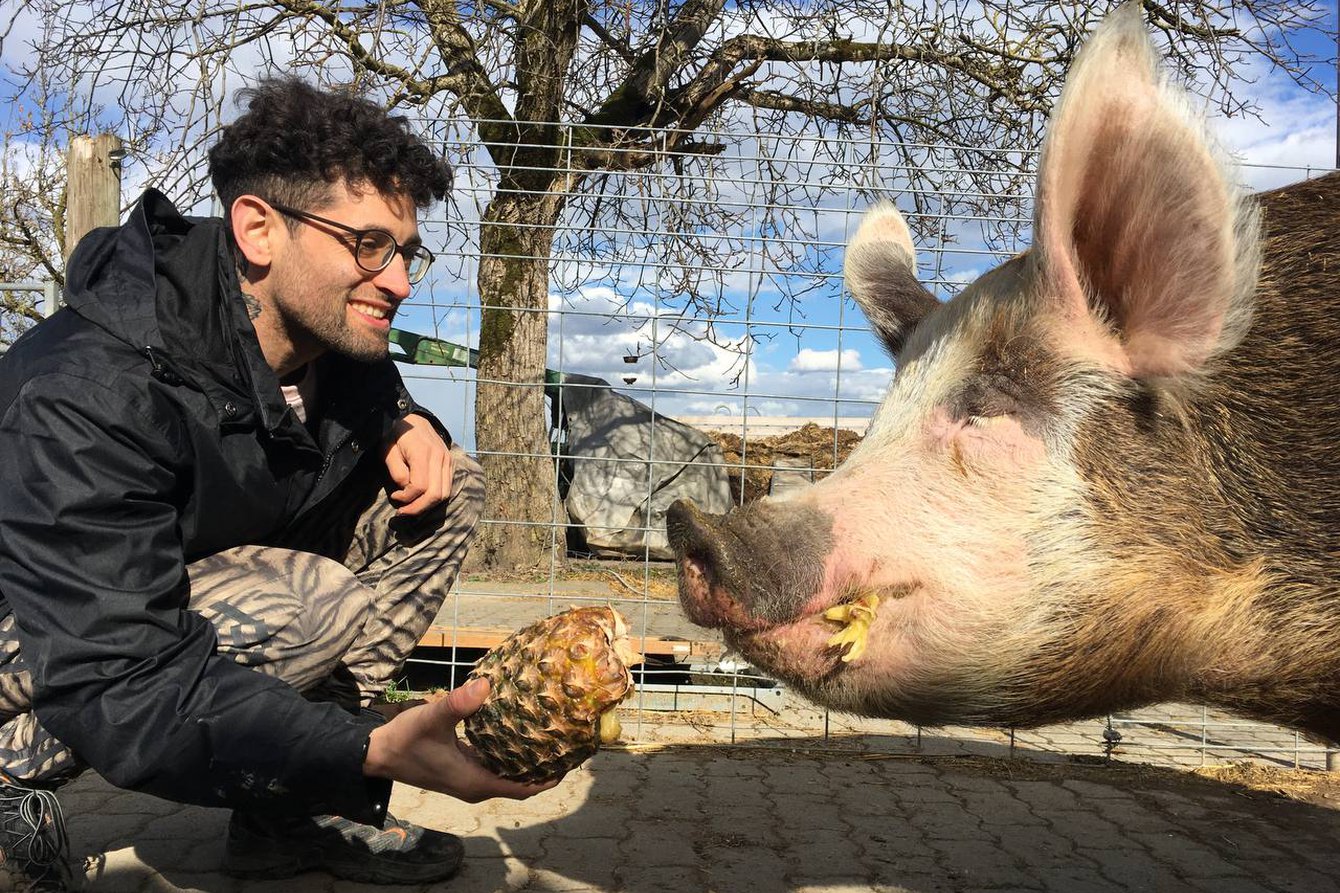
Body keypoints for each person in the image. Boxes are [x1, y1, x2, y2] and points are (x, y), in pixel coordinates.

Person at [0, 77, 552, 890]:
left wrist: (407, 418)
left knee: (452, 485)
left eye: (406, 251)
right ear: (258, 228)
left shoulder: (308, 336)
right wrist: (363, 749)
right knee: (312, 599)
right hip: (52, 633)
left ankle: (284, 812)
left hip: (140, 606)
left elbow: (347, 382)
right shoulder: (90, 390)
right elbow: (118, 670)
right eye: (368, 245)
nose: (400, 281)